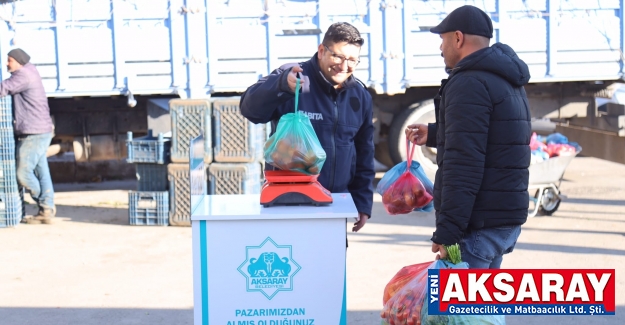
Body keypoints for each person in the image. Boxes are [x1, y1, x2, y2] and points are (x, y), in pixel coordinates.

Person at [406, 5, 531, 268]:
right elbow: (497, 136)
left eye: (442, 40)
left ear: (458, 38)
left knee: (461, 309)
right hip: (502, 219)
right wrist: (437, 134)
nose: (441, 49)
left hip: (477, 227)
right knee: (483, 307)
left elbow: (463, 164)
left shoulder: (468, 82)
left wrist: (448, 233)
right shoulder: (506, 77)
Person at [240, 22, 374, 233]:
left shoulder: (360, 96)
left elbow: (365, 153)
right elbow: (250, 110)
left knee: (330, 265)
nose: (344, 66)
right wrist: (280, 85)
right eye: (338, 56)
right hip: (288, 206)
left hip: (334, 206)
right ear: (322, 51)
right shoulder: (293, 77)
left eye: (352, 60)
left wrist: (363, 202)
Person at [0, 48, 56, 224]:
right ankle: (46, 210)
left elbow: (3, 88)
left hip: (34, 133)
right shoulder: (30, 70)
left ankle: (44, 205)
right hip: (41, 130)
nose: (7, 63)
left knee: (23, 173)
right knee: (41, 171)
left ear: (18, 61)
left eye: (9, 60)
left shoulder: (23, 75)